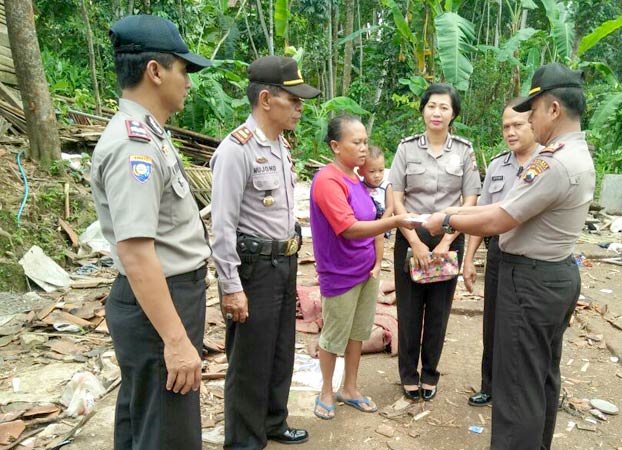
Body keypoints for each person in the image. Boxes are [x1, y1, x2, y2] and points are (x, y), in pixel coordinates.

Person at [422, 63, 595, 450]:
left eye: (532, 111)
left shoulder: (555, 162)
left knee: (517, 384)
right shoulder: (573, 154)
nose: (528, 119)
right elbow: (500, 207)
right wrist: (457, 217)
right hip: (553, 275)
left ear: (553, 109)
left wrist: (447, 219)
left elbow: (500, 217)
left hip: (531, 280)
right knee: (540, 376)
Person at [90, 15, 211, 450]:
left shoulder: (151, 136)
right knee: (168, 433)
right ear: (155, 71)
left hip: (164, 300)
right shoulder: (133, 146)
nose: (188, 83)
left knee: (148, 425)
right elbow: (137, 253)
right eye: (183, 70)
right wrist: (176, 341)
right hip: (159, 304)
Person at [210, 55, 319, 448]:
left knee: (279, 352)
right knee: (250, 361)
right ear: (267, 99)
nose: (300, 107)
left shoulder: (279, 146)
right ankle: (243, 440)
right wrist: (231, 285)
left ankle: (273, 421)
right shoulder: (236, 150)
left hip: (283, 262)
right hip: (254, 267)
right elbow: (221, 225)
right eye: (294, 99)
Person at [309, 114, 415, 419]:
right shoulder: (328, 181)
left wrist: (376, 262)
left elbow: (369, 219)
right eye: (356, 142)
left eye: (365, 141)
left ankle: (350, 387)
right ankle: (327, 390)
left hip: (365, 270)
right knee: (333, 336)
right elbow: (349, 228)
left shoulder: (357, 178)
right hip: (340, 273)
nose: (364, 148)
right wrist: (393, 221)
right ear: (335, 146)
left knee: (358, 333)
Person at [389, 83, 481, 401]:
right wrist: (414, 241)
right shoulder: (406, 148)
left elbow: (471, 200)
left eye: (444, 107)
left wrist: (447, 240)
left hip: (449, 238)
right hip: (410, 236)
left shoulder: (465, 151)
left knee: (438, 312)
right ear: (423, 110)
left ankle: (430, 373)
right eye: (431, 106)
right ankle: (408, 374)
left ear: (453, 113)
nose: (437, 112)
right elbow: (397, 199)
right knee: (410, 310)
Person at [461, 99, 540, 408]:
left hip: (532, 258)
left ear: (533, 124)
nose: (510, 132)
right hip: (498, 254)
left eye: (517, 125)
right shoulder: (496, 165)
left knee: (526, 327)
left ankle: (520, 390)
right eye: (506, 126)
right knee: (493, 324)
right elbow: (482, 217)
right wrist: (469, 259)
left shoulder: (547, 163)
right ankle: (490, 385)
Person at [360, 144, 395, 278]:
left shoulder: (386, 186)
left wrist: (382, 222)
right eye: (372, 171)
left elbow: (390, 207)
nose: (377, 175)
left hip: (381, 219)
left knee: (378, 236)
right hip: (365, 221)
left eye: (381, 170)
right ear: (361, 171)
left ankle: (378, 264)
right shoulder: (360, 185)